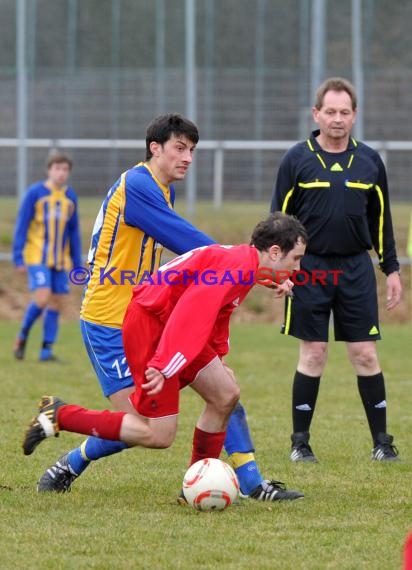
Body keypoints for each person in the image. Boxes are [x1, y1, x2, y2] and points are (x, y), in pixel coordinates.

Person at [36, 114, 303, 501]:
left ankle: (251, 483)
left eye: (192, 150)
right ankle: (62, 429)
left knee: (224, 393)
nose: (188, 158)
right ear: (154, 148)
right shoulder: (138, 185)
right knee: (144, 427)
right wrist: (251, 265)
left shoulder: (162, 191)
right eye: (180, 148)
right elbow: (196, 246)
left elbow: (202, 264)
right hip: (110, 319)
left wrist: (256, 270)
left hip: (155, 311)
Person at [270, 77, 402, 463]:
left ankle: (382, 443)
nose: (338, 119)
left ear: (355, 116)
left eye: (345, 112)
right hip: (308, 268)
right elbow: (277, 219)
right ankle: (300, 444)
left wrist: (391, 269)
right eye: (330, 111)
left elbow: (382, 221)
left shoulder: (370, 161)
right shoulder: (297, 159)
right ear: (317, 114)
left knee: (364, 354)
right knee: (313, 353)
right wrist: (277, 269)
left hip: (356, 269)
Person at [13, 151, 82, 362]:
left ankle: (46, 351)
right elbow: (22, 225)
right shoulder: (35, 193)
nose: (61, 173)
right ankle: (22, 336)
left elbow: (73, 231)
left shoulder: (70, 197)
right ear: (49, 170)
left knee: (55, 303)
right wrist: (18, 256)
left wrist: (76, 263)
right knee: (42, 297)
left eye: (65, 169)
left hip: (60, 261)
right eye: (57, 168)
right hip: (37, 257)